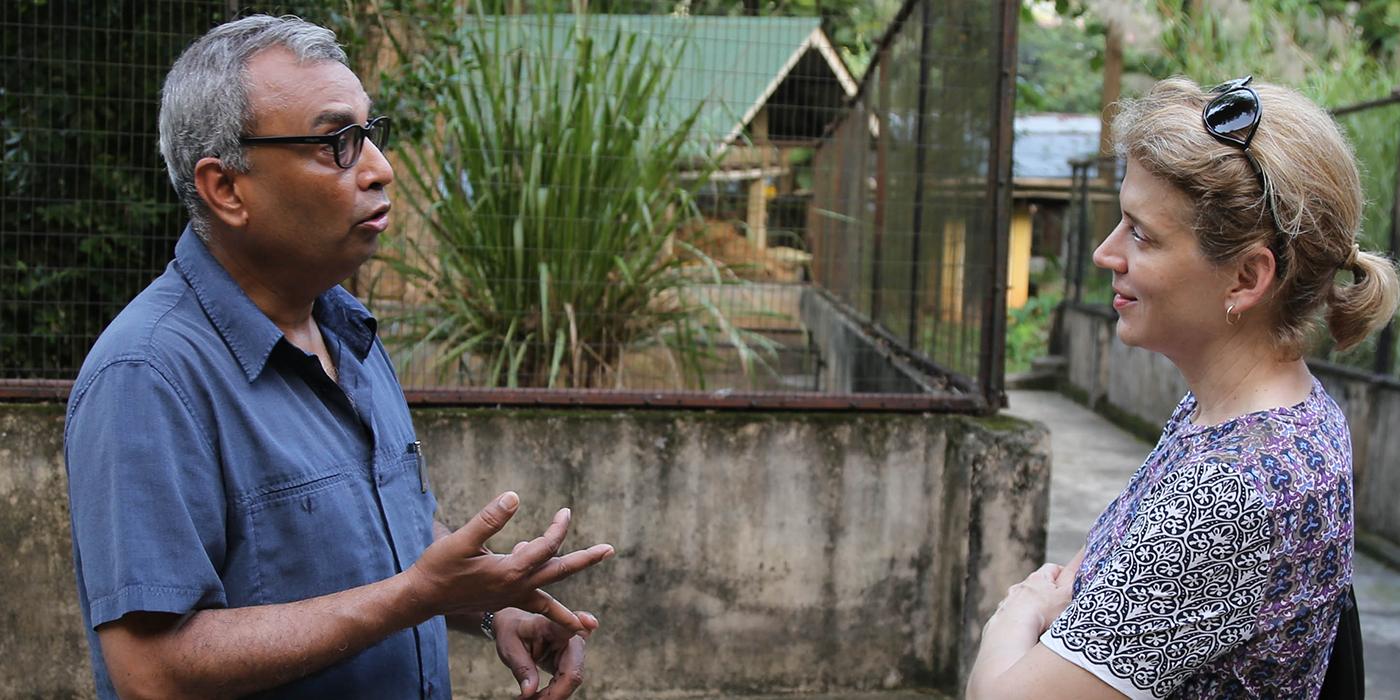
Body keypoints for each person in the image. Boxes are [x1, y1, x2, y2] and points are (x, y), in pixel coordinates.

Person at [63, 15, 615, 699]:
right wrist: (416, 596)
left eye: (370, 135)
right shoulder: (148, 375)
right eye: (337, 144)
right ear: (227, 188)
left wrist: (486, 600)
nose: (381, 169)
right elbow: (153, 674)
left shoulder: (343, 328)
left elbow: (383, 533)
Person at [967, 75, 1398, 699]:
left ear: (1246, 277)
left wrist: (1019, 611)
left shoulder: (1235, 491)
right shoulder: (1277, 414)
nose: (1104, 254)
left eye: (1141, 234)